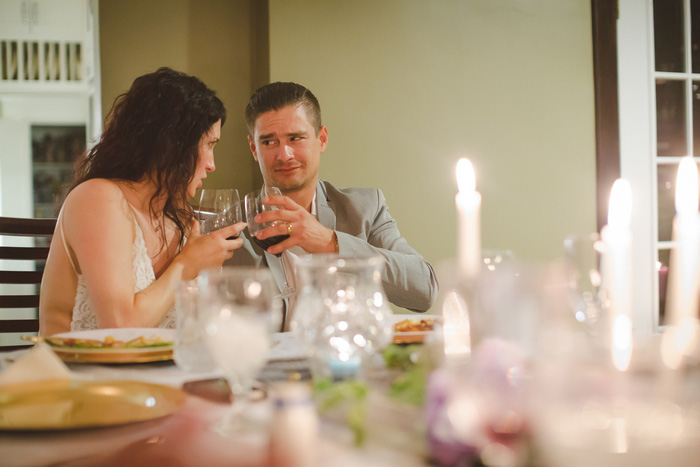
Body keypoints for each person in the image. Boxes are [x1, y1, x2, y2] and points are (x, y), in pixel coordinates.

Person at [39, 67, 246, 335]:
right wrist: (186, 265)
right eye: (208, 145)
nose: (212, 165)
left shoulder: (177, 215)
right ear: (172, 144)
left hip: (164, 372)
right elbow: (119, 327)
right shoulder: (97, 198)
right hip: (79, 372)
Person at [228, 81, 438, 321]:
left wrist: (331, 243)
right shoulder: (231, 226)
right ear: (254, 149)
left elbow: (424, 290)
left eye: (295, 138)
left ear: (322, 139)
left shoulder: (366, 208)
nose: (284, 154)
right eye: (268, 142)